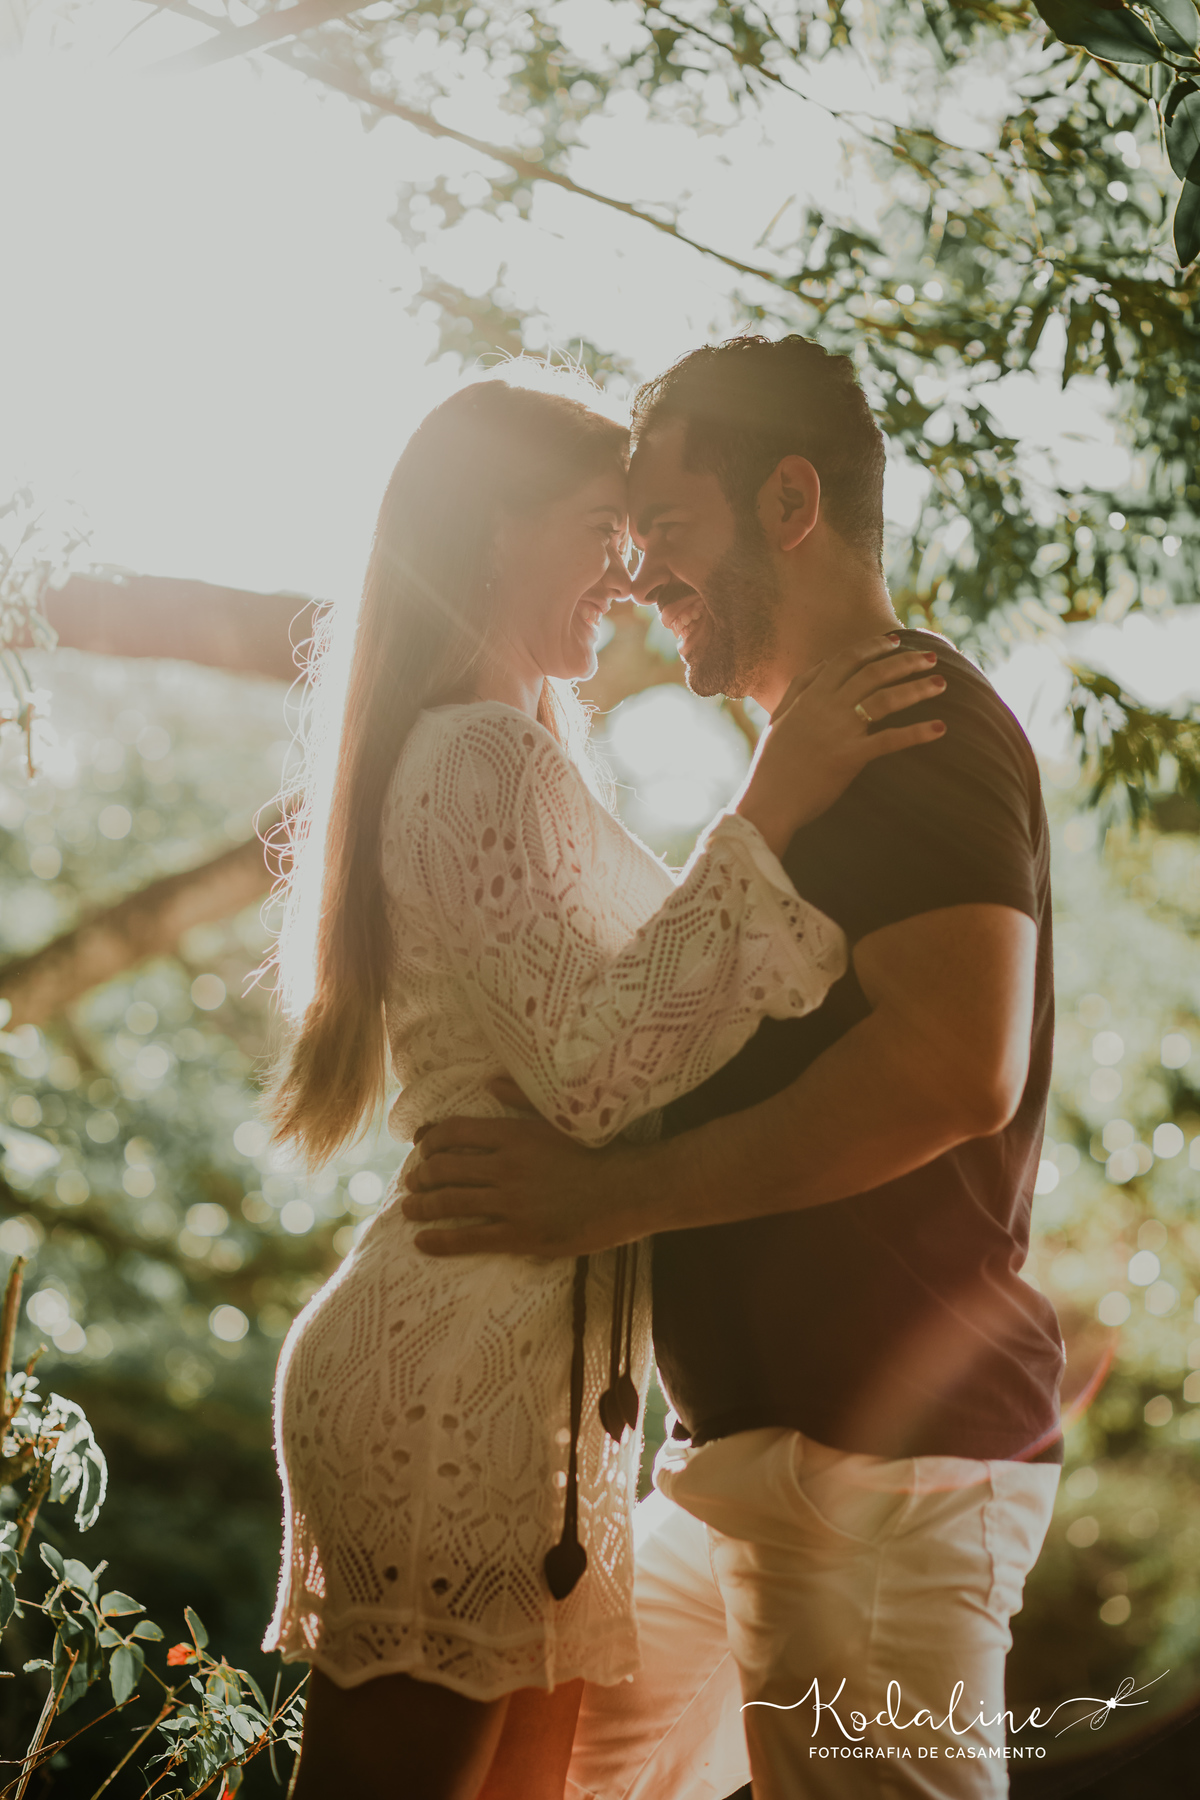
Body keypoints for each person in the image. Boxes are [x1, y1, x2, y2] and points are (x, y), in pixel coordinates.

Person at [259, 364, 944, 1800]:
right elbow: (595, 1072)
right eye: (599, 530)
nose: (631, 579)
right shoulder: (475, 753)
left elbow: (689, 1010)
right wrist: (775, 802)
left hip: (545, 1402)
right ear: (496, 532)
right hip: (454, 1380)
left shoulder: (515, 759)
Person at [404, 336, 1067, 1800]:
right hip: (747, 1472)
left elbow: (960, 1069)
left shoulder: (917, 730)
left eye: (669, 532)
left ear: (789, 502)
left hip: (878, 1481)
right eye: (626, 542)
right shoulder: (816, 761)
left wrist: (605, 1200)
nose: (639, 576)